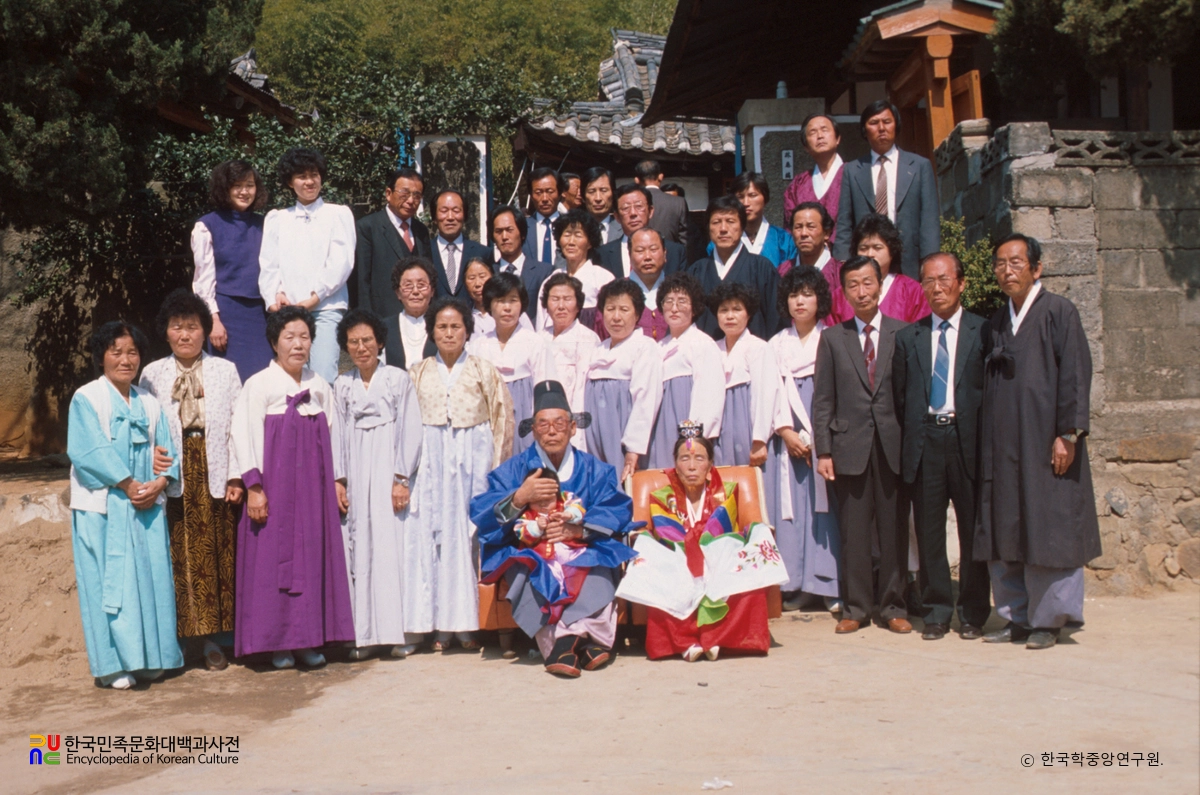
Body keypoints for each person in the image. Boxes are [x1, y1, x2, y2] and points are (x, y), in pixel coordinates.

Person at [976, 234, 1100, 650]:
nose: (1007, 270)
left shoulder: (1059, 312)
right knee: (1006, 524)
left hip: (1046, 441)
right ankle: (1016, 616)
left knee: (1050, 525)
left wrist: (1068, 434)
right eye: (1000, 263)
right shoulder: (996, 321)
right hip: (1005, 444)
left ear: (1036, 268)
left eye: (1016, 262)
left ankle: (1050, 619)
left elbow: (1076, 376)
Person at [472, 381, 638, 677]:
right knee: (528, 567)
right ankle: (586, 641)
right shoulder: (514, 469)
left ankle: (563, 644)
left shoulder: (594, 469)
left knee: (599, 562)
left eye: (559, 423)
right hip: (532, 550)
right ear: (533, 430)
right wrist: (520, 497)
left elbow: (617, 507)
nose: (551, 431)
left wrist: (579, 531)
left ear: (573, 427)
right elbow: (482, 513)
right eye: (543, 424)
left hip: (579, 548)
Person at [230, 306, 354, 668]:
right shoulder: (259, 385)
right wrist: (254, 486)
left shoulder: (319, 385)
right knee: (272, 564)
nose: (298, 344)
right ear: (274, 342)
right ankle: (277, 644)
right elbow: (243, 437)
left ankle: (307, 640)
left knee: (312, 560)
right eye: (289, 337)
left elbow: (335, 436)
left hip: (313, 493)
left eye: (304, 337)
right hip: (274, 489)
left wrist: (336, 481)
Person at [68, 321, 182, 689]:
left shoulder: (149, 402)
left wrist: (161, 481)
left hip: (146, 507)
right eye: (115, 351)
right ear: (101, 356)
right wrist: (129, 483)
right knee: (107, 583)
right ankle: (113, 665)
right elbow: (88, 451)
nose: (125, 358)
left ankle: (152, 658)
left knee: (149, 582)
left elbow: (167, 450)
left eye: (132, 351)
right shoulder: (86, 398)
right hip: (103, 507)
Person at [616, 423, 788, 661]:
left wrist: (749, 534)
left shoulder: (727, 493)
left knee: (747, 572)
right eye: (685, 458)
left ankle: (719, 639)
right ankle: (684, 643)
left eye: (699, 458)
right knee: (655, 568)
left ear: (709, 466)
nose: (692, 465)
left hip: (719, 562)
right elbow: (657, 537)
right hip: (679, 562)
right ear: (675, 465)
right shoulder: (663, 498)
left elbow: (739, 531)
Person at [139, 290, 243, 672]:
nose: (185, 335)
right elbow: (143, 428)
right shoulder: (151, 374)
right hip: (172, 475)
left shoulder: (224, 371)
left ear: (205, 331)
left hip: (213, 470)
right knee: (177, 557)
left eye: (192, 327)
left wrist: (236, 474)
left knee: (217, 557)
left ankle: (217, 641)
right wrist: (149, 456)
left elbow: (239, 427)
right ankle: (182, 640)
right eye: (177, 327)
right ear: (166, 332)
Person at [892, 253, 991, 641]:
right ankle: (936, 611)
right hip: (926, 441)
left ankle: (973, 613)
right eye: (928, 281)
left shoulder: (983, 332)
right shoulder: (908, 338)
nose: (937, 288)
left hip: (968, 441)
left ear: (961, 283)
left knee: (971, 530)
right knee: (930, 531)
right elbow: (902, 398)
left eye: (944, 279)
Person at [406, 299, 513, 652]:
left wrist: (497, 473)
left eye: (455, 326)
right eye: (442, 326)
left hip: (474, 461)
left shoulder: (484, 370)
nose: (449, 333)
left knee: (467, 538)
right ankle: (437, 626)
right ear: (431, 331)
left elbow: (502, 419)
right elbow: (406, 427)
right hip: (432, 462)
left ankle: (469, 625)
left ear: (467, 330)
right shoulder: (418, 372)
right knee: (431, 537)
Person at [812, 256, 909, 635]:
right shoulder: (834, 338)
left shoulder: (903, 334)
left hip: (892, 446)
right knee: (853, 532)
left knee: (893, 530)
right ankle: (856, 606)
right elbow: (823, 400)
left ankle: (893, 606)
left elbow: (909, 397)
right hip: (848, 446)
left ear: (880, 285)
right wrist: (824, 450)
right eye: (853, 284)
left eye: (868, 282)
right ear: (844, 291)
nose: (862, 291)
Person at [331, 309, 423, 660]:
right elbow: (337, 433)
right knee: (360, 546)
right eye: (353, 342)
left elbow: (410, 428)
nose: (361, 347)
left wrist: (401, 477)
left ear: (380, 342)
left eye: (367, 340)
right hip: (356, 470)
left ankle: (399, 632)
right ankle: (365, 636)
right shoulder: (342, 384)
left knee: (391, 548)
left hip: (388, 471)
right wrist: (340, 480)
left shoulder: (398, 379)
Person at [767, 267, 842, 613]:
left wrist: (819, 435)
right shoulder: (775, 344)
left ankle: (827, 582)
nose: (800, 301)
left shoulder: (834, 339)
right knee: (791, 510)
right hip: (787, 440)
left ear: (820, 299)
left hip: (822, 437)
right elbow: (768, 393)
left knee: (825, 510)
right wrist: (784, 431)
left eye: (807, 294)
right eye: (794, 294)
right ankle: (795, 582)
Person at [259, 147, 356, 384]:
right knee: (289, 376)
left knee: (323, 375)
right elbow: (269, 264)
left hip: (326, 309)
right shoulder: (277, 219)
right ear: (290, 182)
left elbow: (341, 262)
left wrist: (315, 298)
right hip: (288, 312)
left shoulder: (338, 214)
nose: (309, 181)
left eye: (314, 174)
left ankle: (325, 421)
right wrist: (275, 297)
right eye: (302, 176)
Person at [833, 100, 939, 280]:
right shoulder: (852, 170)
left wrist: (930, 262)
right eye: (874, 123)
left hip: (909, 260)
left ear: (896, 126)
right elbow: (844, 221)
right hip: (868, 259)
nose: (881, 128)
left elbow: (929, 219)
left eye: (887, 122)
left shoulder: (920, 166)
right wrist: (842, 263)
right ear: (864, 130)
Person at [191, 159, 273, 381]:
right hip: (226, 317)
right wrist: (213, 321)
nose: (244, 191)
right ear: (224, 188)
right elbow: (203, 282)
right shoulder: (207, 225)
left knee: (264, 381)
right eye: (237, 186)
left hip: (261, 316)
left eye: (250, 185)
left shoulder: (267, 224)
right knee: (229, 382)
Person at [585, 279, 664, 482]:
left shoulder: (645, 346)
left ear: (637, 314)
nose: (616, 317)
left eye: (624, 309)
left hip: (623, 434)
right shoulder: (597, 349)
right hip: (594, 436)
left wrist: (633, 448)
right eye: (610, 309)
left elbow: (645, 399)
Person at [647, 273, 725, 469]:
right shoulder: (657, 347)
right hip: (660, 429)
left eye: (682, 301)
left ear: (694, 306)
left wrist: (693, 441)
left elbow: (709, 397)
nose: (674, 308)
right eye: (668, 301)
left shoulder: (703, 343)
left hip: (686, 429)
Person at [470, 272, 553, 456]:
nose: (507, 308)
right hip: (488, 421)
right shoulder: (477, 346)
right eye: (500, 301)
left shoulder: (535, 343)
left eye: (513, 300)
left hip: (525, 421)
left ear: (522, 304)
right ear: (490, 305)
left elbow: (544, 390)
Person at [709, 283, 782, 468]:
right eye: (723, 310)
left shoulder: (759, 347)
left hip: (747, 424)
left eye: (737, 309)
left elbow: (765, 395)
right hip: (718, 428)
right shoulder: (711, 349)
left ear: (748, 314)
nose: (730, 316)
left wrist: (760, 439)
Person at [689, 196, 781, 340]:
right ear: (708, 228)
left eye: (730, 221)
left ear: (742, 226)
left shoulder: (762, 268)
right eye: (716, 222)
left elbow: (776, 321)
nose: (723, 229)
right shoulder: (697, 271)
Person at [356, 167, 431, 325]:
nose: (411, 201)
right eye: (404, 194)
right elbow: (362, 281)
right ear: (388, 194)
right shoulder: (368, 227)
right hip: (382, 317)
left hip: (419, 319)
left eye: (417, 196)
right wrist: (366, 322)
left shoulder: (421, 230)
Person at [831, 214, 931, 324]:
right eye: (863, 248)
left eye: (877, 248)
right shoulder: (840, 295)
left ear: (892, 251)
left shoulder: (912, 291)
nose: (870, 254)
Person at [535, 209, 614, 331]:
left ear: (589, 243)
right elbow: (541, 322)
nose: (571, 242)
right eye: (566, 235)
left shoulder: (603, 278)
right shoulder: (551, 280)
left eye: (578, 235)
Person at [538, 272, 601, 424]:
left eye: (567, 299)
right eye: (555, 299)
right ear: (546, 305)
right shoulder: (538, 338)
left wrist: (576, 424)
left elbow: (582, 388)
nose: (561, 306)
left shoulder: (587, 338)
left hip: (570, 419)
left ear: (578, 305)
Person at [594, 184, 688, 281]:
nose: (633, 213)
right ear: (617, 216)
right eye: (626, 208)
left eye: (639, 206)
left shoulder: (675, 252)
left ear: (650, 211)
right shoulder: (602, 254)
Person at [705, 172, 798, 268]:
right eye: (740, 197)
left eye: (752, 195)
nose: (746, 203)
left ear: (765, 198)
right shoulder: (721, 240)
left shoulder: (784, 240)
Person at [596, 227, 671, 342]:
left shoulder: (678, 292)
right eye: (640, 251)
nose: (647, 257)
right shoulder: (613, 293)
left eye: (653, 249)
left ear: (665, 253)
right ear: (629, 255)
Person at [783, 114, 845, 248]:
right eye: (813, 132)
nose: (820, 136)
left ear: (837, 138)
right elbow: (791, 226)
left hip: (846, 259)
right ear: (805, 146)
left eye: (824, 130)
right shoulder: (798, 184)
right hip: (807, 258)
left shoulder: (854, 175)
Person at [490, 204, 555, 323]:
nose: (504, 237)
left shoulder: (544, 272)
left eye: (509, 230)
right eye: (498, 231)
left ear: (522, 233)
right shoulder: (489, 273)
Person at [429, 189, 492, 302]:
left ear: (465, 216)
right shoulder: (424, 252)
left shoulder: (483, 253)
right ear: (434, 217)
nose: (450, 217)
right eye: (444, 211)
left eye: (456, 210)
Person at [778, 202, 843, 307]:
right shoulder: (782, 272)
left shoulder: (841, 274)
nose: (804, 233)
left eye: (810, 227)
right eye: (798, 227)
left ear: (826, 233)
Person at [383, 257, 438, 370]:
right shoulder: (384, 328)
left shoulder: (443, 325)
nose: (415, 291)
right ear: (398, 293)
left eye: (421, 285)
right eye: (408, 286)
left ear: (432, 291)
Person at [635, 159, 688, 248]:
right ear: (660, 177)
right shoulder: (678, 202)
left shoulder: (631, 203)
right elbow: (685, 238)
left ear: (636, 180)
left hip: (638, 256)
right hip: (671, 257)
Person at [522, 167, 563, 265]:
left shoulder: (571, 225)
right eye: (538, 193)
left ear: (560, 193)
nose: (544, 198)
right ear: (531, 196)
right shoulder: (522, 227)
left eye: (550, 191)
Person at [582, 166, 622, 243]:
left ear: (613, 194)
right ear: (583, 197)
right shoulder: (573, 230)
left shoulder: (625, 229)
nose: (598, 198)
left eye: (603, 190)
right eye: (591, 191)